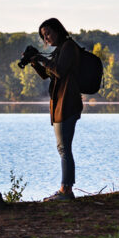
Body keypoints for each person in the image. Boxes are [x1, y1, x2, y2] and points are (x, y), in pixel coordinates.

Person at [28, 18, 83, 202]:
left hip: (68, 103)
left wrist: (43, 59)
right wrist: (35, 61)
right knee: (63, 148)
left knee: (64, 148)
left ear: (58, 30)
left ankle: (65, 191)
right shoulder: (60, 49)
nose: (47, 38)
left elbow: (59, 71)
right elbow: (47, 75)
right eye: (44, 36)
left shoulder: (68, 47)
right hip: (60, 104)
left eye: (48, 33)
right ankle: (65, 189)